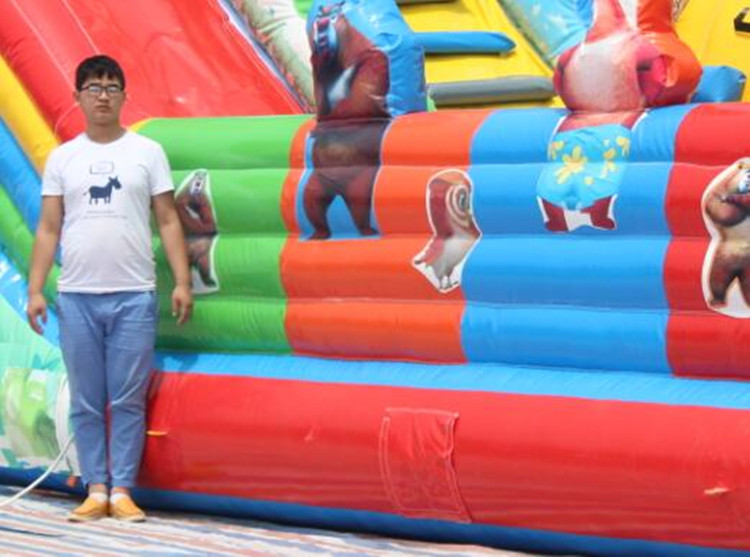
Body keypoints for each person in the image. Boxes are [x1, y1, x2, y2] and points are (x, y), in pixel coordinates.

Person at [26, 55, 193, 522]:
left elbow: (167, 219)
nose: (103, 95)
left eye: (111, 87)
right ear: (78, 97)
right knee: (85, 399)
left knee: (126, 398)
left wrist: (182, 282)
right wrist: (36, 289)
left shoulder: (147, 153)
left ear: (123, 96)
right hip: (77, 296)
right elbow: (48, 228)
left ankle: (121, 489)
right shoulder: (63, 158)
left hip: (134, 295)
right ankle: (95, 488)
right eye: (93, 87)